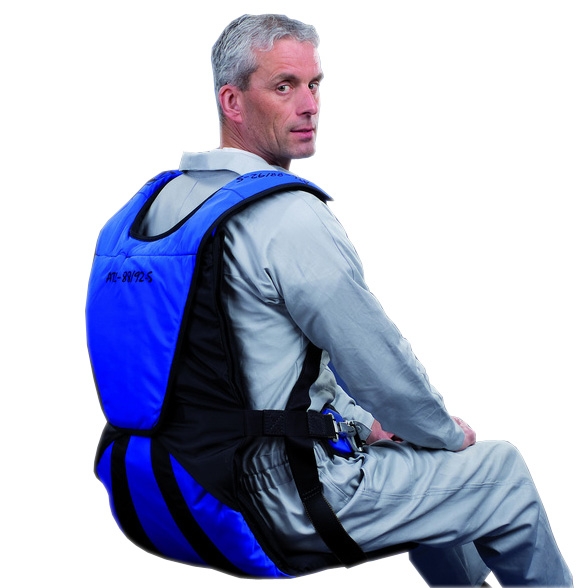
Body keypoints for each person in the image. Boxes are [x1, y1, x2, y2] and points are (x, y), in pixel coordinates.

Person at [90, 14, 573, 587]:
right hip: (276, 504)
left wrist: (368, 425)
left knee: (438, 479)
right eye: (284, 86)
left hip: (163, 492)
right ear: (232, 101)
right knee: (499, 472)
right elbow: (376, 363)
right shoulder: (286, 216)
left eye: (314, 84)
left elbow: (242, 375)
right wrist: (443, 432)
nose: (309, 105)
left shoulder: (140, 215)